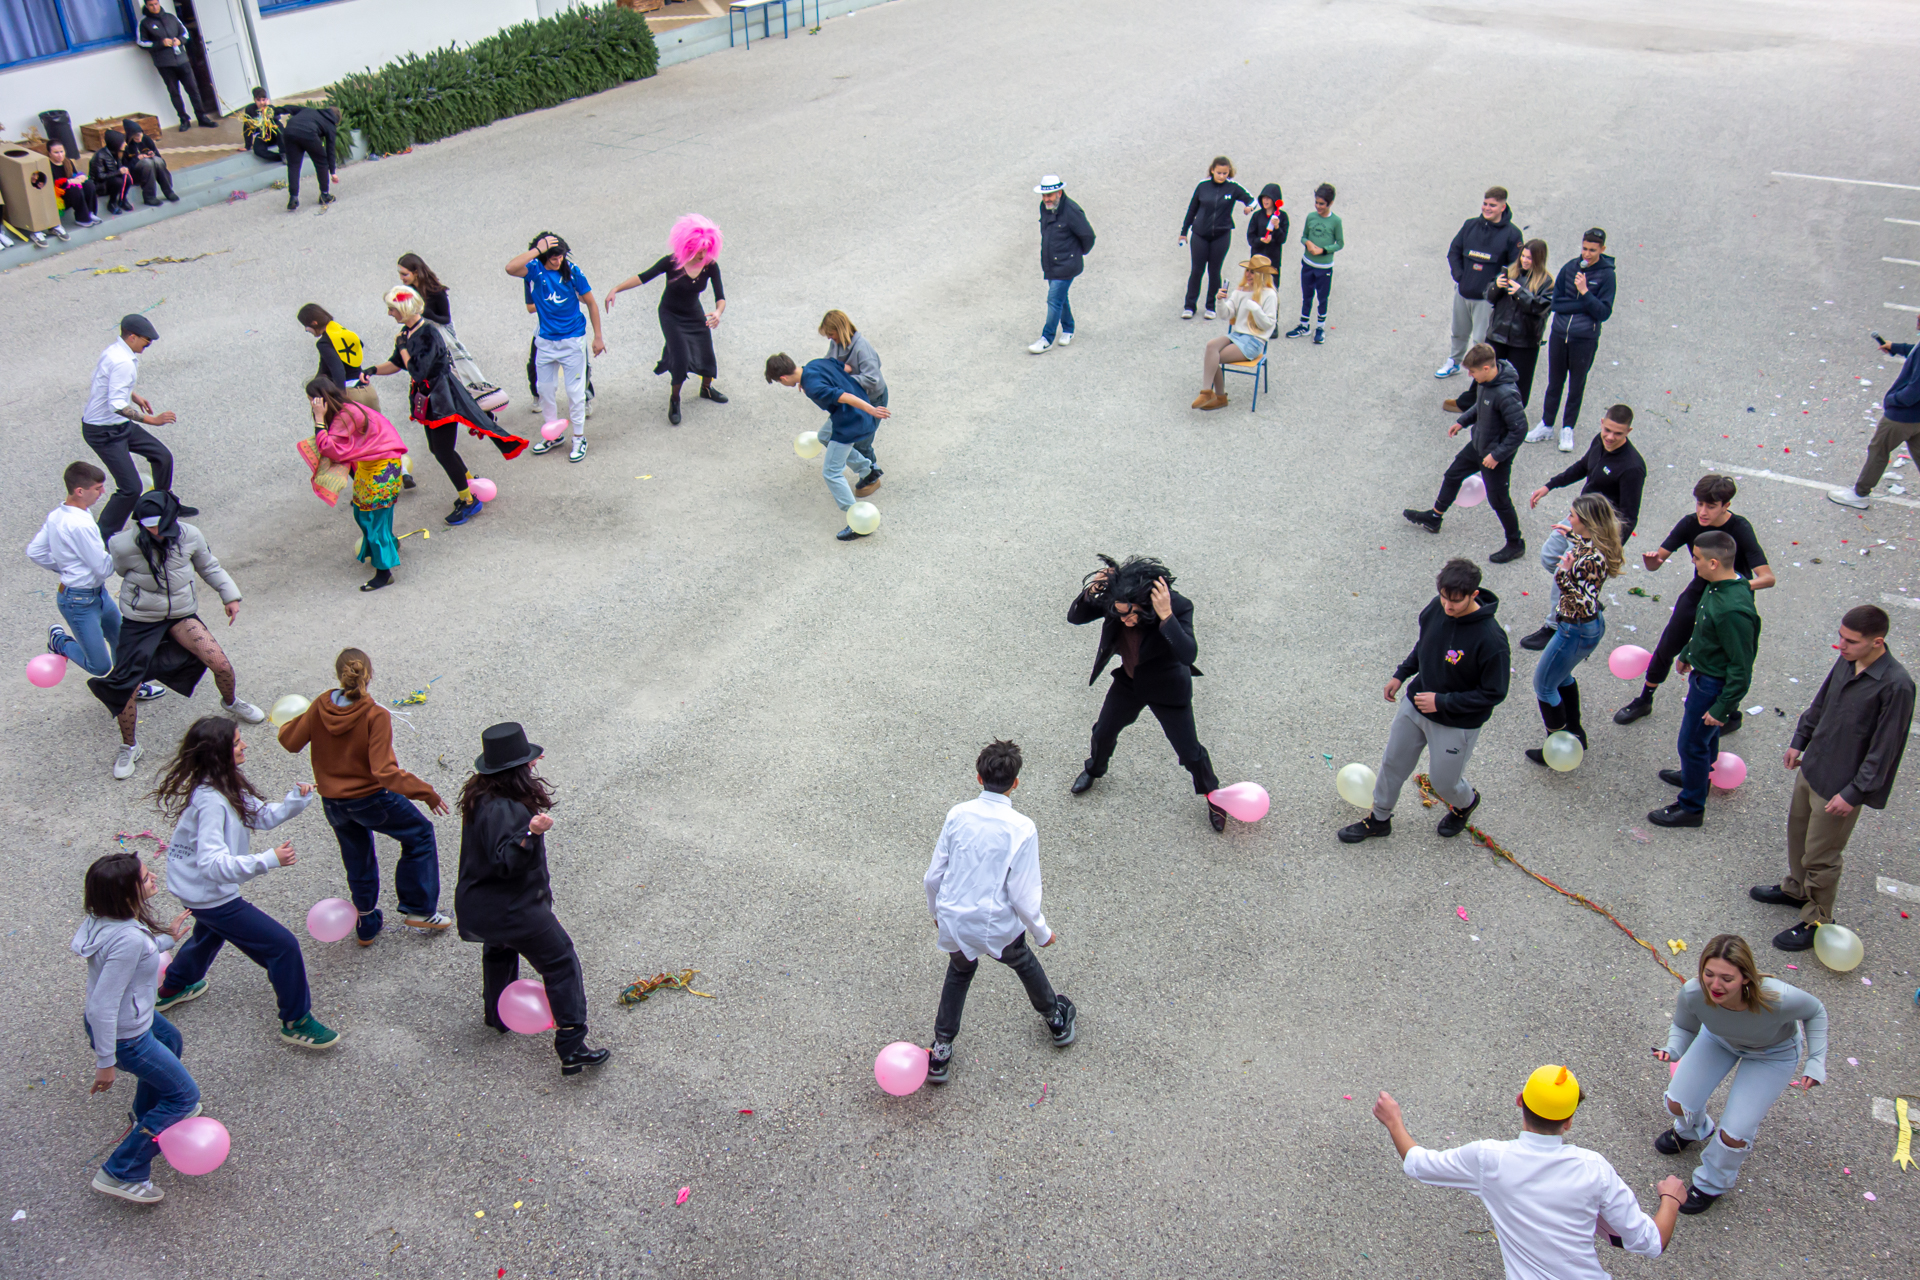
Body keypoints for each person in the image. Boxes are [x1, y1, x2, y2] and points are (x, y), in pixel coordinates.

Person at [1373, 1066, 1686, 1278]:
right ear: (1569, 1121)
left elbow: (1418, 1164)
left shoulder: (1488, 1159)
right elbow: (1651, 1242)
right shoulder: (1595, 1169)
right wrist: (1671, 1199)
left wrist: (1394, 1122)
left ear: (1520, 1102)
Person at [149, 716, 340, 1050]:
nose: (245, 745)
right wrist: (268, 859)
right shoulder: (211, 801)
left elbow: (260, 815)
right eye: (237, 742)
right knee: (281, 946)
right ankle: (296, 1021)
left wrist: (295, 800)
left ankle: (173, 987)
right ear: (218, 752)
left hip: (196, 889)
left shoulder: (223, 782)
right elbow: (212, 864)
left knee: (210, 933)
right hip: (209, 894)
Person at [1751, 606, 1913, 950]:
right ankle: (1796, 890)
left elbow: (1885, 748)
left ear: (1877, 642)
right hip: (1813, 768)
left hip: (1840, 786)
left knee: (1822, 856)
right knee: (1798, 836)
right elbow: (1821, 701)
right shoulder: (1848, 659)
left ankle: (1818, 919)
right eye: (1841, 637)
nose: (1841, 645)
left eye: (1851, 641)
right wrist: (1800, 739)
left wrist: (1854, 792)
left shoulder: (1897, 686)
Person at [456, 723, 609, 1077]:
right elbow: (507, 862)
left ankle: (497, 1015)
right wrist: (531, 832)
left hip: (481, 907)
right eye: (528, 761)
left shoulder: (480, 796)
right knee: (560, 962)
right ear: (513, 770)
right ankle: (572, 1046)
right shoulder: (506, 809)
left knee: (499, 951)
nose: (534, 764)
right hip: (514, 910)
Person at [923, 739, 1076, 1087]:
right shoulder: (1022, 827)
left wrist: (937, 912)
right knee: (1022, 962)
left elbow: (933, 876)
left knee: (959, 972)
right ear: (1015, 783)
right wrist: (1041, 931)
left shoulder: (957, 815)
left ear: (979, 778)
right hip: (996, 923)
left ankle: (942, 1048)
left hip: (956, 919)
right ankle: (1055, 1018)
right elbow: (1023, 892)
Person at [279, 647, 452, 945]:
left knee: (357, 858)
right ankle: (420, 909)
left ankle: (366, 923)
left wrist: (292, 720)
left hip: (333, 804)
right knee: (420, 834)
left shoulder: (320, 704)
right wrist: (426, 792)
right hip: (372, 800)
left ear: (339, 675)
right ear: (369, 675)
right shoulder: (375, 715)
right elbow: (385, 772)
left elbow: (290, 742)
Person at [91, 491, 265, 780]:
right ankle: (130, 746)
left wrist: (230, 596)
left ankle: (231, 701)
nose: (154, 532)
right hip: (141, 619)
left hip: (181, 614)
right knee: (126, 685)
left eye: (159, 525)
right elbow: (121, 571)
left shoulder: (190, 535)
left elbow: (209, 566)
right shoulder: (121, 544)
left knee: (220, 664)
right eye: (147, 526)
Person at [1651, 934, 1827, 1214]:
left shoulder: (1779, 997)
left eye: (1726, 978)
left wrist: (1816, 1060)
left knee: (1735, 1134)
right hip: (1719, 1039)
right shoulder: (1694, 992)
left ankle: (1712, 1183)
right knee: (1677, 1103)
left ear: (1746, 977)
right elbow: (1684, 1027)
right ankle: (1694, 1129)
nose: (1715, 985)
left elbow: (1815, 1011)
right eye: (1709, 974)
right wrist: (1672, 1049)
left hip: (1772, 1054)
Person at [1340, 558, 1509, 845]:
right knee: (1393, 764)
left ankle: (1466, 802)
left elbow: (1494, 693)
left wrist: (1442, 702)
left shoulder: (1492, 640)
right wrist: (1402, 674)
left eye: (1456, 601)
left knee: (1444, 783)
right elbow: (1426, 644)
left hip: (1456, 722)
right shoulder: (1436, 607)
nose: (1448, 606)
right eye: (1444, 597)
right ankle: (1379, 819)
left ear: (1474, 595)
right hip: (1416, 704)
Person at [1067, 555, 1227, 832]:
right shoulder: (1119, 601)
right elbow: (1076, 617)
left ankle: (1213, 795)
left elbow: (1187, 654)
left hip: (1167, 688)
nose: (1125, 620)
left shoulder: (1176, 606)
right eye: (1119, 614)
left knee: (1190, 751)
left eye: (1131, 614)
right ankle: (1094, 769)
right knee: (1103, 732)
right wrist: (1093, 591)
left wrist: (1166, 617)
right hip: (1129, 682)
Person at [74, 852, 196, 1205]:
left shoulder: (104, 919)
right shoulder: (128, 939)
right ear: (126, 893)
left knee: (170, 1039)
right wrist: (105, 1063)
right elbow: (102, 1005)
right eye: (145, 878)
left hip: (131, 1019)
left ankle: (145, 1116)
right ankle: (122, 1171)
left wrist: (166, 938)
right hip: (126, 1035)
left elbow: (133, 952)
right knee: (184, 1098)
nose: (154, 876)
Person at [1615, 475, 1774, 730]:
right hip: (1699, 592)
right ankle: (1644, 700)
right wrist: (1652, 562)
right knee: (1667, 646)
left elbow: (1767, 578)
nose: (1702, 511)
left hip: (1728, 603)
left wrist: (1735, 587)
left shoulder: (1740, 528)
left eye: (1711, 506)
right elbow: (1657, 561)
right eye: (1699, 503)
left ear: (1726, 505)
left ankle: (1730, 713)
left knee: (1726, 660)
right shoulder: (1690, 523)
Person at [363, 285, 525, 525]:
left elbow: (417, 371)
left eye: (392, 309)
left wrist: (403, 347)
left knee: (443, 452)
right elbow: (397, 363)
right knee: (438, 449)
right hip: (431, 401)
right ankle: (469, 483)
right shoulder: (407, 333)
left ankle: (468, 500)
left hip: (442, 401)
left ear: (404, 309)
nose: (389, 313)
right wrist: (372, 370)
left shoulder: (427, 333)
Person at [1647, 530, 1761, 829]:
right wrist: (1688, 652)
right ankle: (1696, 775)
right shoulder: (1718, 586)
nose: (1693, 562)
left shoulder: (1733, 609)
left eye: (1696, 558)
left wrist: (1723, 708)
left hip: (1713, 685)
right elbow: (1704, 628)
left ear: (1713, 563)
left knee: (1692, 744)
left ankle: (1692, 807)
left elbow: (1741, 667)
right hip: (1703, 675)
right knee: (1704, 739)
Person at [29, 461, 165, 702]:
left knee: (123, 644)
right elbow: (103, 568)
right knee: (99, 666)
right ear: (80, 491)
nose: (103, 492)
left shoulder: (59, 514)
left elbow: (35, 552)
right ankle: (60, 642)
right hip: (79, 603)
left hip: (95, 594)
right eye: (98, 488)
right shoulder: (80, 525)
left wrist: (66, 567)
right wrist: (127, 553)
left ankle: (132, 687)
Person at [1520, 406, 1645, 650]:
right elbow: (1582, 466)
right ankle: (1584, 595)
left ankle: (1553, 626)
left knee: (1565, 571)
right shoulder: (1600, 441)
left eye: (1618, 433)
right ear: (1602, 422)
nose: (1610, 437)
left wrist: (1608, 550)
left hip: (1597, 534)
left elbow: (1629, 516)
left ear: (1629, 431)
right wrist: (1549, 485)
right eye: (1607, 430)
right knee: (1549, 556)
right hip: (1577, 518)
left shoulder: (1632, 467)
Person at [1403, 343, 1530, 563]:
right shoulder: (1485, 383)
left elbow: (1520, 430)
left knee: (1499, 501)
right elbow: (1480, 407)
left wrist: (1497, 455)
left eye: (1472, 371)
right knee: (1452, 475)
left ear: (1487, 368)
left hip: (1494, 456)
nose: (1470, 375)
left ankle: (1515, 543)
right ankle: (1434, 517)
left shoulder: (1506, 394)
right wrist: (1462, 422)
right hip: (1478, 445)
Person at [1525, 494, 1624, 766]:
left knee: (1544, 686)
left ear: (1587, 522)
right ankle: (1575, 732)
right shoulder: (1594, 546)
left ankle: (1556, 747)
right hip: (1584, 626)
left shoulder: (1588, 560)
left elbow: (1582, 599)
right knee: (1562, 676)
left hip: (1575, 628)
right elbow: (1586, 557)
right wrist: (1571, 535)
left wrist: (1562, 573)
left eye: (1572, 516)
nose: (1568, 519)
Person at [606, 216, 722, 426]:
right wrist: (616, 289)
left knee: (706, 352)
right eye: (698, 250)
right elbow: (643, 277)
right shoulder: (672, 262)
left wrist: (718, 312)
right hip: (671, 315)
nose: (702, 255)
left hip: (694, 314)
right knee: (680, 357)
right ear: (688, 247)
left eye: (706, 250)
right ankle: (675, 399)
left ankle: (706, 389)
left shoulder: (710, 266)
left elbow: (720, 296)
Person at [764, 352, 891, 540]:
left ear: (783, 378)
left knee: (831, 472)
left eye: (779, 382)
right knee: (824, 436)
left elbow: (844, 396)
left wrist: (871, 409)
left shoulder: (813, 386)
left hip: (851, 422)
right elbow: (847, 368)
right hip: (851, 414)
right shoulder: (815, 364)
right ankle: (868, 470)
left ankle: (856, 519)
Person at [507, 233, 604, 458]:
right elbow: (510, 268)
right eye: (553, 257)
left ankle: (579, 438)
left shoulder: (573, 271)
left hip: (572, 341)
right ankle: (553, 435)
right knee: (545, 390)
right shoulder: (534, 269)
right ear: (542, 255)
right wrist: (536, 250)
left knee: (575, 392)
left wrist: (598, 337)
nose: (558, 261)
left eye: (561, 256)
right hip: (545, 341)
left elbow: (591, 302)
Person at [82, 314, 176, 542]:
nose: (148, 344)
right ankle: (103, 536)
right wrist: (152, 420)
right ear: (132, 337)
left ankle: (161, 508)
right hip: (103, 432)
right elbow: (116, 405)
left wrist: (133, 395)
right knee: (130, 488)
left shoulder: (114, 351)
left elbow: (107, 382)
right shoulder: (122, 362)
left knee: (162, 457)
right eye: (146, 340)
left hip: (119, 425)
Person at [308, 378, 407, 591]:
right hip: (370, 464)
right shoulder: (344, 411)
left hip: (383, 465)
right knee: (362, 513)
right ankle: (389, 543)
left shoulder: (346, 414)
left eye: (312, 401)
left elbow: (328, 447)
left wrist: (319, 418)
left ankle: (384, 573)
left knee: (373, 517)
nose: (312, 406)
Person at [1534, 230, 1617, 452]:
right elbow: (1556, 303)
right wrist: (1585, 305)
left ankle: (1567, 428)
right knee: (1554, 382)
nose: (1587, 254)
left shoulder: (1607, 276)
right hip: (1560, 334)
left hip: (1584, 339)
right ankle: (1546, 424)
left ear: (1602, 249)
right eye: (1584, 248)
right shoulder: (1570, 268)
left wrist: (1585, 292)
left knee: (1576, 385)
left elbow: (1603, 312)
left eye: (1592, 250)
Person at [398, 253, 505, 413]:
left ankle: (477, 407)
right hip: (421, 338)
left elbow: (445, 318)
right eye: (400, 274)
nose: (401, 278)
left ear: (416, 273)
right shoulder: (409, 292)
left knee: (455, 374)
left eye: (404, 274)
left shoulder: (437, 292)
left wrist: (424, 312)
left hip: (441, 339)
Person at [1830, 318, 1920, 509]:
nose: (1917, 323)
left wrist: (1893, 400)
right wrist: (1897, 347)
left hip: (1902, 416)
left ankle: (1860, 494)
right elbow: (1916, 351)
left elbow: (1914, 391)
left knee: (1879, 450)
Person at [1435, 187, 1521, 379]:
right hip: (1463, 292)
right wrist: (1460, 277)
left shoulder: (1512, 234)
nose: (1487, 208)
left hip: (1487, 299)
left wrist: (1496, 287)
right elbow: (1454, 252)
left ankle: (1482, 373)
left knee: (1481, 339)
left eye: (1492, 205)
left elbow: (1516, 266)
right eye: (1485, 203)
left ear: (1503, 207)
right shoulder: (1470, 225)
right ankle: (1454, 361)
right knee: (1458, 331)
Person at [1193, 255, 1277, 410]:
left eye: (1253, 272)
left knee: (1214, 358)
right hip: (1237, 335)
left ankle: (1219, 397)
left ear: (1261, 275)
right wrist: (1220, 301)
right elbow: (1225, 315)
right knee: (1211, 346)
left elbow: (1268, 326)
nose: (1248, 275)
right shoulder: (1241, 290)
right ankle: (1207, 393)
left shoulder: (1269, 294)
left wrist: (1256, 309)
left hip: (1254, 340)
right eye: (1247, 271)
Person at [1178, 157, 1255, 319]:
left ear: (1229, 172)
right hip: (1200, 234)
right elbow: (1192, 210)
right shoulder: (1203, 186)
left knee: (1214, 271)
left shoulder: (1233, 187)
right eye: (1219, 173)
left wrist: (1249, 207)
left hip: (1221, 235)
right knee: (1197, 270)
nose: (1221, 176)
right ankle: (1189, 306)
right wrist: (1184, 232)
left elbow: (1253, 200)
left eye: (1225, 173)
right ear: (1212, 170)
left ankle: (1211, 306)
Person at [819, 309, 885, 490]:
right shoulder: (836, 344)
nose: (829, 338)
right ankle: (866, 469)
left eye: (831, 334)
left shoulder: (863, 349)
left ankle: (872, 474)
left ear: (840, 330)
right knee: (830, 435)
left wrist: (843, 380)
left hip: (872, 400)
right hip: (851, 399)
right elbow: (828, 363)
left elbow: (872, 379)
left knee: (862, 443)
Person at [1029, 175, 1095, 353]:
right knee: (1060, 298)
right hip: (1051, 263)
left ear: (1059, 193)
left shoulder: (1071, 211)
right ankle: (1068, 328)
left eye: (1049, 195)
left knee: (1053, 300)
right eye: (1044, 195)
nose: (1046, 199)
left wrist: (1075, 254)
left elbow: (1088, 236)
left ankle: (1047, 338)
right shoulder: (1045, 207)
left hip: (1066, 265)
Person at [1482, 239, 1551, 404]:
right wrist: (1496, 286)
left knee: (1519, 384)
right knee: (1487, 377)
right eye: (1523, 256)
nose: (1524, 261)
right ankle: (1483, 408)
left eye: (1530, 258)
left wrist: (1521, 293)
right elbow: (1489, 297)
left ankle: (1513, 414)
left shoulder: (1546, 282)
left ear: (1539, 259)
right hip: (1498, 334)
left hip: (1524, 341)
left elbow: (1542, 308)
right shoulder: (1511, 272)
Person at [135, 0, 217, 132]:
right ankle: (184, 119)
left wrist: (180, 40)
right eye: (151, 5)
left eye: (156, 3)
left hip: (182, 60)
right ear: (146, 5)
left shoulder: (171, 17)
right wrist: (160, 43)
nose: (154, 7)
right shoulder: (144, 22)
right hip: (165, 64)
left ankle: (201, 117)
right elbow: (141, 42)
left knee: (193, 90)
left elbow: (185, 33)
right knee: (174, 92)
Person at [1283, 183, 1341, 344]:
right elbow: (1304, 236)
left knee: (1322, 297)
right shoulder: (1311, 217)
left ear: (1330, 203)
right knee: (1306, 295)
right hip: (1308, 264)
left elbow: (1340, 243)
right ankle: (1304, 325)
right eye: (1316, 202)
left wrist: (1323, 250)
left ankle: (1320, 327)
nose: (1318, 206)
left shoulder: (1336, 221)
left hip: (1324, 267)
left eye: (1322, 204)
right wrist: (1307, 243)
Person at [296, 304, 379, 410]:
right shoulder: (344, 333)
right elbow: (360, 344)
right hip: (369, 392)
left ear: (314, 323)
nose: (306, 330)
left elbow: (338, 370)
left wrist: (341, 398)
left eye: (306, 326)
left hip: (350, 394)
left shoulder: (324, 343)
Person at [281, 106, 341, 212]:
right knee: (321, 162)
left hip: (289, 130)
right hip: (309, 133)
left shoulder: (310, 110)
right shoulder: (331, 125)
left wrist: (274, 110)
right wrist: (332, 172)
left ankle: (293, 197)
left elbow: (291, 108)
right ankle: (324, 195)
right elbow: (330, 150)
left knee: (293, 165)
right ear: (336, 120)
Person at [118, 120, 177, 206]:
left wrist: (153, 154)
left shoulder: (146, 139)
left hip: (152, 171)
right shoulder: (126, 145)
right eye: (135, 137)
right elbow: (125, 167)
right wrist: (137, 159)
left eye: (140, 135)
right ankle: (149, 196)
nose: (138, 138)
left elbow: (161, 160)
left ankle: (168, 191)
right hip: (136, 173)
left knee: (157, 161)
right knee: (147, 163)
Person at [47, 142, 101, 229]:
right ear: (49, 153)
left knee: (88, 184)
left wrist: (80, 177)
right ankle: (81, 218)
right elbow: (51, 184)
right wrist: (68, 181)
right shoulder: (47, 166)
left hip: (73, 191)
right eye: (56, 152)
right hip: (59, 196)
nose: (60, 155)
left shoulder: (67, 162)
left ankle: (90, 213)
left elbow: (75, 175)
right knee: (74, 188)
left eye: (62, 151)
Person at [90, 128, 133, 216]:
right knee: (118, 181)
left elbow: (119, 167)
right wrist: (118, 172)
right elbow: (99, 177)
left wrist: (123, 170)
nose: (125, 144)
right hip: (100, 185)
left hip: (111, 179)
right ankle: (112, 203)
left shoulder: (116, 152)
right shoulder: (99, 156)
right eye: (123, 142)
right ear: (116, 143)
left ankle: (123, 199)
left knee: (127, 178)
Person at [1245, 182, 1287, 272]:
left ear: (1275, 199)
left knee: (1271, 281)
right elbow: (1251, 238)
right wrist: (1260, 240)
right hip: (1257, 259)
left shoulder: (1282, 216)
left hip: (1273, 260)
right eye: (1264, 197)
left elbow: (1282, 239)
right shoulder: (1257, 216)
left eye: (1268, 198)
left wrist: (1277, 227)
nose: (1265, 200)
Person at [241, 87, 289, 162]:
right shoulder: (250, 109)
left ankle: (284, 153)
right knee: (258, 150)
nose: (261, 103)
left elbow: (276, 118)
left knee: (278, 126)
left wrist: (268, 108)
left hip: (275, 135)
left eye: (263, 100)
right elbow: (247, 127)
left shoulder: (270, 108)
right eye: (258, 100)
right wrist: (247, 146)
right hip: (264, 136)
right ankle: (279, 157)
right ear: (254, 100)